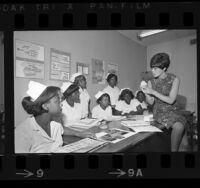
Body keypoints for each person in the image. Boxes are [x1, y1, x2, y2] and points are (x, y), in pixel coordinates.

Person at [15, 81, 95, 153]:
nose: (62, 103)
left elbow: (62, 130)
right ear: (45, 106)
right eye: (57, 101)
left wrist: (78, 133)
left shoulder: (56, 123)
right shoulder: (22, 131)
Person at [142, 52, 187, 152]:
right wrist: (146, 93)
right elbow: (150, 102)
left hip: (174, 110)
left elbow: (171, 100)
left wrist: (153, 91)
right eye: (152, 68)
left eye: (155, 68)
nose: (152, 71)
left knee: (185, 145)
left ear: (164, 68)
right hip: (159, 111)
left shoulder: (174, 79)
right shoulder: (150, 82)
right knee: (179, 127)